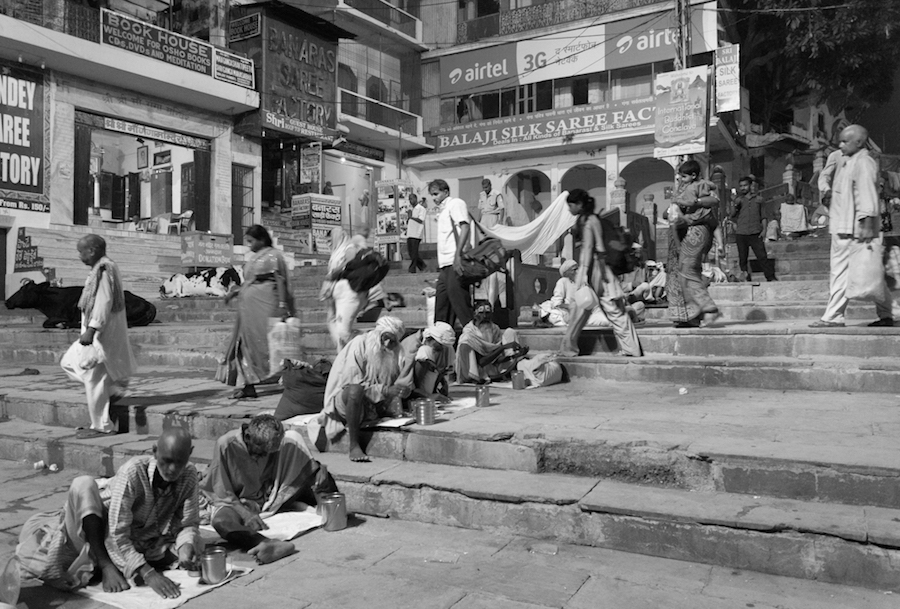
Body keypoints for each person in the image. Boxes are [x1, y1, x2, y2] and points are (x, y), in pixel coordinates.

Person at [17, 428, 201, 599]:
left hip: (137, 539)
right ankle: (104, 564)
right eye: (167, 461)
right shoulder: (133, 472)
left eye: (179, 462)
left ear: (190, 453)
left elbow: (188, 523)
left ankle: (110, 564)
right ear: (154, 451)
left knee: (193, 549)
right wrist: (148, 574)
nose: (172, 469)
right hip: (91, 533)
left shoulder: (189, 474)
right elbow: (116, 533)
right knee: (83, 484)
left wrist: (185, 549)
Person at [201, 415, 338, 564]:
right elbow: (222, 491)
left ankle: (336, 516)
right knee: (221, 522)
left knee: (322, 477)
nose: (264, 456)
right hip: (237, 501)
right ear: (248, 436)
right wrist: (245, 513)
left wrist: (318, 469)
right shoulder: (225, 444)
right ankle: (265, 543)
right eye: (260, 452)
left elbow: (301, 461)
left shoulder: (283, 442)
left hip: (271, 495)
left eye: (269, 452)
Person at [811, 124, 896, 328]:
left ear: (858, 142)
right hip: (846, 226)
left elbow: (867, 195)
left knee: (842, 272)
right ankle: (888, 313)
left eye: (844, 141)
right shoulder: (850, 160)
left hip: (853, 229)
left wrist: (866, 226)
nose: (840, 145)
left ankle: (833, 317)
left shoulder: (863, 162)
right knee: (872, 272)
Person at [61, 234, 136, 438]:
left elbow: (104, 302)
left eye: (81, 252)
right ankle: (111, 391)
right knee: (69, 363)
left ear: (92, 250)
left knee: (94, 379)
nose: (79, 256)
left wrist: (93, 329)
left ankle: (102, 426)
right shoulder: (101, 269)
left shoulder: (104, 270)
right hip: (96, 333)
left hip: (101, 334)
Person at [307, 316, 411, 462]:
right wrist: (386, 390)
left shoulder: (396, 354)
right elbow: (351, 384)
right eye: (385, 338)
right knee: (355, 390)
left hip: (372, 407)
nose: (387, 343)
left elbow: (392, 386)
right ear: (378, 333)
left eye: (392, 341)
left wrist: (402, 391)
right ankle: (354, 445)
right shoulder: (359, 344)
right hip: (346, 402)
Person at [559, 189, 643, 357]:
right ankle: (631, 349)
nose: (569, 209)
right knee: (603, 310)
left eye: (571, 205)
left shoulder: (588, 221)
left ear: (579, 205)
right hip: (601, 270)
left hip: (595, 270)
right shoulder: (592, 219)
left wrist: (582, 276)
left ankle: (568, 349)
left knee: (587, 309)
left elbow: (590, 249)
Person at [217, 225, 293, 399]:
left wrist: (283, 304)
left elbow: (280, 281)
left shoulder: (273, 256)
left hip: (265, 308)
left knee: (267, 346)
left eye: (251, 241)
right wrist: (234, 292)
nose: (249, 245)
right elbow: (249, 282)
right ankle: (248, 386)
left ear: (261, 239)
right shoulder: (253, 258)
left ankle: (286, 380)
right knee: (244, 345)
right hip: (247, 310)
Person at [665, 161, 721, 328]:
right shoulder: (681, 189)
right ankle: (689, 317)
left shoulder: (699, 187)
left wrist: (693, 202)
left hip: (692, 232)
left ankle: (706, 307)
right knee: (679, 276)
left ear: (693, 175)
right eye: (679, 175)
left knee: (687, 271)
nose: (679, 178)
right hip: (679, 235)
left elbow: (713, 201)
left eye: (682, 175)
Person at [430, 179, 474, 328]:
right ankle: (441, 343)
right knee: (442, 308)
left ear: (446, 192)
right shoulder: (442, 210)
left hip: (455, 262)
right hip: (445, 265)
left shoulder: (455, 204)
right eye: (432, 195)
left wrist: (458, 255)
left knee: (461, 305)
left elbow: (465, 227)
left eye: (436, 194)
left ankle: (477, 342)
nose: (434, 198)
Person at [456, 301, 529, 383]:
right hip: (478, 371)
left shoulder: (494, 329)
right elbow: (481, 362)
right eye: (481, 313)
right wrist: (503, 347)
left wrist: (516, 356)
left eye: (487, 313)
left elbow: (496, 360)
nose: (484, 316)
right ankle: (476, 378)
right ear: (475, 315)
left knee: (510, 332)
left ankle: (506, 372)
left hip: (493, 369)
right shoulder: (470, 333)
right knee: (465, 342)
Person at [729, 176, 777, 282]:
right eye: (741, 186)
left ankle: (770, 277)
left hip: (755, 232)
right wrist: (733, 202)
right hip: (741, 232)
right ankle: (745, 276)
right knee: (743, 257)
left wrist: (764, 230)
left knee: (762, 256)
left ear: (751, 186)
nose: (743, 188)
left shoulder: (759, 200)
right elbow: (732, 215)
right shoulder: (738, 200)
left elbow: (763, 216)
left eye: (745, 185)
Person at [397, 321, 456, 401]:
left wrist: (443, 382)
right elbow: (405, 383)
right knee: (425, 351)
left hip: (428, 388)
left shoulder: (435, 345)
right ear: (431, 339)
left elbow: (438, 368)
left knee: (448, 349)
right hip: (410, 392)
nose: (442, 348)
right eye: (440, 345)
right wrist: (428, 396)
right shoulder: (412, 346)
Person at [406, 193, 428, 273]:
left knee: (414, 252)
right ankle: (422, 266)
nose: (410, 201)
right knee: (411, 252)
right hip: (410, 233)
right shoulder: (411, 209)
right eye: (409, 199)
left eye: (412, 199)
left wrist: (411, 217)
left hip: (416, 233)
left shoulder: (421, 209)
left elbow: (420, 220)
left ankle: (412, 269)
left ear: (415, 198)